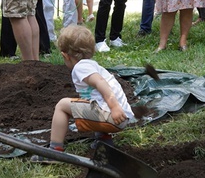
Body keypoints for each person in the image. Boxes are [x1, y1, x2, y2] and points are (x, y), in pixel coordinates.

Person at [30, 25, 133, 162]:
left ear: (65, 55)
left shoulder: (81, 67)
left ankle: (55, 151)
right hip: (121, 118)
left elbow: (101, 83)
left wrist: (114, 107)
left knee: (62, 105)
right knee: (92, 101)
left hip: (113, 114)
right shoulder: (92, 65)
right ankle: (104, 141)